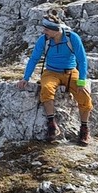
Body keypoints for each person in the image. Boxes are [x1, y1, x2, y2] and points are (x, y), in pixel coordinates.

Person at [20, 16, 92, 145]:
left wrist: (82, 80)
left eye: (47, 30)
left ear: (56, 30)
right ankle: (52, 124)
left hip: (71, 72)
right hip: (51, 72)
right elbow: (34, 59)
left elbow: (82, 59)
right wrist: (25, 78)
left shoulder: (72, 38)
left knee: (84, 95)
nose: (44, 32)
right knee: (46, 89)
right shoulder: (44, 40)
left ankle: (84, 128)